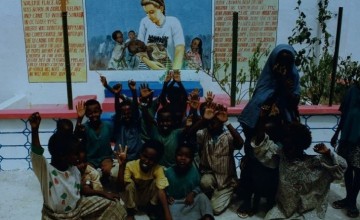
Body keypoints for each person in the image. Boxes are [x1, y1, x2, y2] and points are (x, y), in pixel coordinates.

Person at [237, 44, 301, 217]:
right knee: (252, 161)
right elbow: (258, 103)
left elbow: (293, 103)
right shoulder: (266, 78)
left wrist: (284, 86)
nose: (283, 67)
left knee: (277, 163)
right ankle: (247, 199)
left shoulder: (293, 77)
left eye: (288, 63)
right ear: (273, 61)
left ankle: (273, 198)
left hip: (281, 127)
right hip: (258, 125)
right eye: (280, 61)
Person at [251, 107, 347, 219]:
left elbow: (342, 166)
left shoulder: (317, 163)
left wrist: (328, 153)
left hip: (309, 212)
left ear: (300, 146)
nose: (287, 151)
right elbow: (263, 147)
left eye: (290, 148)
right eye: (285, 147)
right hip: (283, 210)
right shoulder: (282, 156)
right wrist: (261, 119)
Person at [28, 112, 126, 219]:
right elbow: (37, 154)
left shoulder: (74, 168)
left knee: (114, 205)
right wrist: (34, 130)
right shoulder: (46, 171)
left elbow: (82, 189)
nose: (79, 157)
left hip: (78, 210)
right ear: (63, 156)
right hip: (55, 217)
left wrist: (103, 193)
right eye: (75, 154)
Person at [196, 103, 244, 215]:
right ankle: (213, 192)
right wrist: (204, 119)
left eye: (215, 122)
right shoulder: (204, 133)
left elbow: (240, 143)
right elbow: (189, 134)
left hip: (226, 179)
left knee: (215, 210)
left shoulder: (227, 135)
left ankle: (231, 190)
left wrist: (227, 122)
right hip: (210, 175)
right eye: (210, 122)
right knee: (205, 183)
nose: (211, 125)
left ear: (221, 122)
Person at [121, 139, 172, 220]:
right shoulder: (131, 165)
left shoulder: (157, 169)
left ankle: (151, 210)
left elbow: (161, 190)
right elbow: (121, 186)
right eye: (145, 156)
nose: (146, 161)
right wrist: (122, 165)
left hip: (146, 199)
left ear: (156, 160)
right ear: (140, 154)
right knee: (129, 185)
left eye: (151, 159)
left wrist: (167, 214)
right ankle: (130, 211)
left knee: (157, 184)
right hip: (134, 198)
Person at [330, 82, 360, 218]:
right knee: (346, 168)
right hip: (347, 137)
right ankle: (348, 198)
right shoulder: (352, 90)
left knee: (359, 172)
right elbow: (344, 115)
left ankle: (353, 201)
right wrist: (336, 134)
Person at [74, 99, 117, 187]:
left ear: (101, 111)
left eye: (96, 112)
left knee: (109, 172)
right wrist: (79, 118)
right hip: (90, 159)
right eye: (90, 113)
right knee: (88, 176)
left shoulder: (108, 125)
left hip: (106, 157)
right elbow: (76, 136)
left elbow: (114, 139)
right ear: (86, 114)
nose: (93, 115)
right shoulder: (84, 127)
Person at [165, 144, 214, 220]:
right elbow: (163, 188)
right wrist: (167, 196)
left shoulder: (194, 171)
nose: (183, 158)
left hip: (189, 201)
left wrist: (193, 193)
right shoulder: (168, 172)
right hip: (175, 203)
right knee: (167, 209)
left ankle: (207, 217)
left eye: (187, 156)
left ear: (191, 159)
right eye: (180, 155)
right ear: (175, 156)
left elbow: (199, 186)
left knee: (202, 197)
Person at [100, 76, 143, 161]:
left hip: (135, 158)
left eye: (129, 113)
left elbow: (135, 110)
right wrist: (115, 94)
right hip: (119, 158)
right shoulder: (119, 124)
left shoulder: (135, 123)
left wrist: (134, 91)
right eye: (124, 114)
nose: (127, 115)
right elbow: (118, 111)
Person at [138, 0, 185, 70]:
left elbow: (180, 48)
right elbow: (138, 47)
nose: (149, 16)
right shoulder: (144, 22)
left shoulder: (173, 22)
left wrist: (175, 71)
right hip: (146, 67)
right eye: (146, 13)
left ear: (161, 9)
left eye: (151, 12)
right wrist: (150, 63)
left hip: (167, 68)